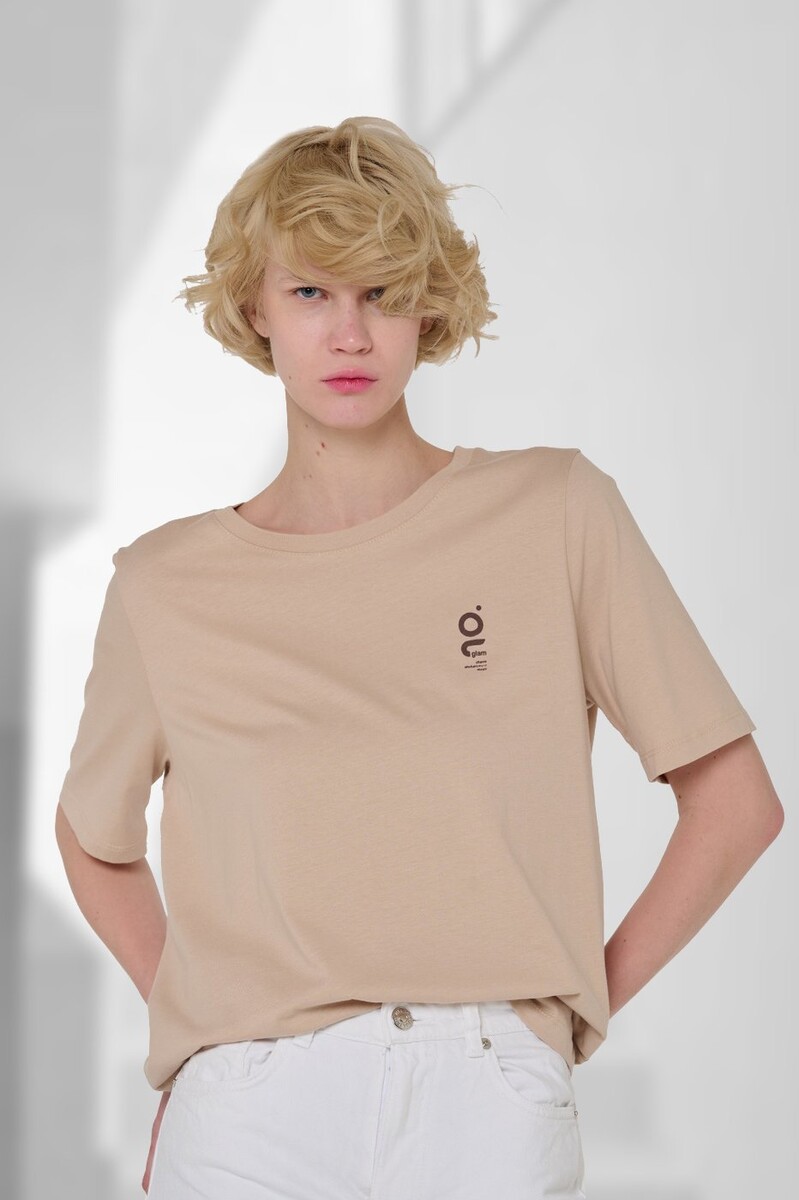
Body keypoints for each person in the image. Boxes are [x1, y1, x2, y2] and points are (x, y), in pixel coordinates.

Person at [55, 115, 784, 1199]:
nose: (350, 334)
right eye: (311, 291)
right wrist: (203, 1025)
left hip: (484, 1095)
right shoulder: (164, 587)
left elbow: (735, 804)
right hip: (247, 1113)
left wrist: (561, 1019)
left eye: (383, 291)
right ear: (254, 306)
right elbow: (92, 840)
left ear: (429, 303)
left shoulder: (553, 512)